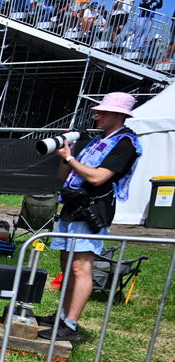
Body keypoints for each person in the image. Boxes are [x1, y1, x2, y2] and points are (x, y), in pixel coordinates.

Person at [39, 92, 141, 342]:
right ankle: (62, 315)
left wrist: (70, 158)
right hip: (73, 206)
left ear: (119, 115)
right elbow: (67, 174)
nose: (97, 116)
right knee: (66, 265)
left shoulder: (125, 143)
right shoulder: (96, 140)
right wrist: (66, 153)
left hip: (93, 210)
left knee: (81, 267)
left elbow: (97, 177)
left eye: (103, 112)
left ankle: (71, 325)